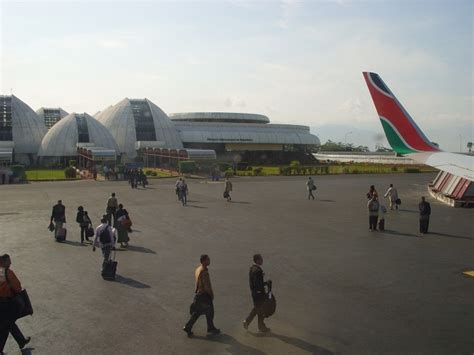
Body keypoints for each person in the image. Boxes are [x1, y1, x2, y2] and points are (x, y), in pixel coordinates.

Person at [183, 255, 220, 337]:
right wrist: (211, 294)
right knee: (210, 312)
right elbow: (207, 286)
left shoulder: (198, 269)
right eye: (208, 260)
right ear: (203, 261)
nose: (209, 261)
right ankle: (210, 328)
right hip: (204, 296)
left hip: (199, 294)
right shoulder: (204, 272)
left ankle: (188, 327)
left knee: (198, 312)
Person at [0, 254, 31, 354]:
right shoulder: (7, 273)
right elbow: (18, 286)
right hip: (7, 304)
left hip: (2, 303)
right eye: (8, 261)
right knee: (6, 326)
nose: (10, 263)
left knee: (8, 324)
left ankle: (21, 340)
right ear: (3, 262)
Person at [243, 254, 271, 332]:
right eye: (261, 259)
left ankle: (260, 326)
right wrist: (266, 283)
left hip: (254, 292)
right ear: (257, 260)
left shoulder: (252, 268)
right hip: (259, 293)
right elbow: (258, 284)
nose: (262, 260)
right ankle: (248, 322)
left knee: (259, 309)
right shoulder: (258, 271)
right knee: (259, 309)